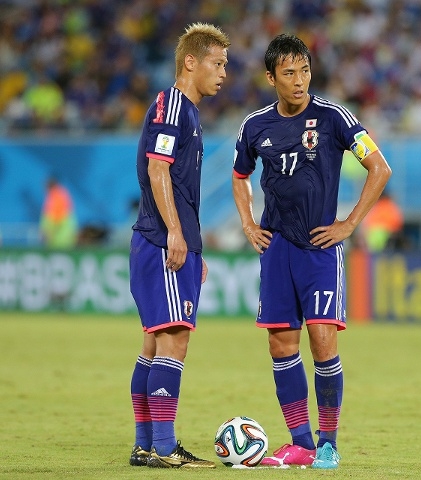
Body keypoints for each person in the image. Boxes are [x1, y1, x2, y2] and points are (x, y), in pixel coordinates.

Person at [231, 33, 392, 469]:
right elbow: (240, 174)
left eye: (304, 71)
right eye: (288, 73)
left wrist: (350, 223)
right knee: (281, 346)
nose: (299, 81)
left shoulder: (334, 117)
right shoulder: (255, 126)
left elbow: (379, 167)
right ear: (271, 77)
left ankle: (329, 443)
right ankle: (300, 442)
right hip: (277, 247)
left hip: (320, 248)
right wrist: (247, 222)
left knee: (322, 343)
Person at [128, 23, 229, 469]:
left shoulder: (187, 112)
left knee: (154, 344)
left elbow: (178, 184)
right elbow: (157, 170)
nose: (223, 73)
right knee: (174, 341)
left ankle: (147, 445)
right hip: (159, 240)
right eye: (217, 63)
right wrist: (176, 234)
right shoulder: (173, 105)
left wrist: (192, 244)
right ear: (191, 61)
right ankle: (164, 448)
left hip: (167, 241)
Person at [40, 176, 78, 249]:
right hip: (64, 236)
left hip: (60, 238)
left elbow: (52, 217)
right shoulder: (61, 194)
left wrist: (45, 232)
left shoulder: (55, 197)